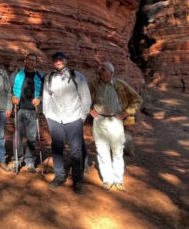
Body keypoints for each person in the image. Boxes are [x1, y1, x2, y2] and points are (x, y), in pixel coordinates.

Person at [42, 52, 91, 194]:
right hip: (55, 118)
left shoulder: (77, 76)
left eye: (60, 59)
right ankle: (59, 176)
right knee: (57, 148)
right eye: (55, 60)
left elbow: (86, 98)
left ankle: (78, 180)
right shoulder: (49, 78)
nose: (58, 62)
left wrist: (82, 117)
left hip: (74, 118)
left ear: (66, 60)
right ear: (53, 62)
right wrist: (47, 115)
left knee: (76, 150)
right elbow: (46, 98)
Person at [90, 62, 142, 192]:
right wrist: (89, 109)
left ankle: (118, 180)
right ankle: (107, 180)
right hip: (99, 120)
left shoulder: (120, 84)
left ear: (111, 73)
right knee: (102, 150)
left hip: (116, 120)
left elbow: (137, 99)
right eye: (100, 69)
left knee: (117, 151)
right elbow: (84, 99)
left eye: (104, 70)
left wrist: (127, 112)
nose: (100, 71)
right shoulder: (93, 85)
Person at [10, 53, 43, 173]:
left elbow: (45, 92)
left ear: (36, 62)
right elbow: (9, 89)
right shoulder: (17, 74)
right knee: (17, 136)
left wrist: (39, 98)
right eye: (29, 60)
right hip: (19, 109)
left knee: (32, 137)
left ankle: (29, 160)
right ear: (25, 61)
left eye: (33, 60)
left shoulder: (40, 75)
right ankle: (17, 159)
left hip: (33, 110)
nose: (31, 62)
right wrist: (13, 96)